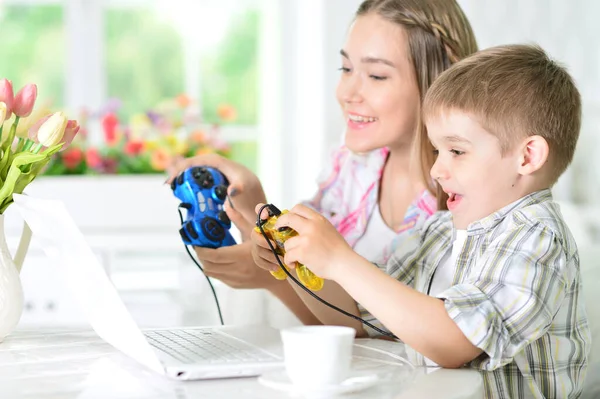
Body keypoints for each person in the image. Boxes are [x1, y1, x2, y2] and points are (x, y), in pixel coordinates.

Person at [262, 43, 591, 398]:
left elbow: (457, 342)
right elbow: (358, 319)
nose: (436, 169)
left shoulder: (537, 237)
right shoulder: (437, 232)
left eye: (457, 151)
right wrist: (299, 259)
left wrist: (341, 262)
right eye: (437, 150)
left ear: (527, 156)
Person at [167, 0, 478, 327]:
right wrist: (257, 208)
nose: (347, 92)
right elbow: (335, 328)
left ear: (443, 77)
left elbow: (391, 337)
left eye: (376, 75)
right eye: (345, 69)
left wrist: (275, 277)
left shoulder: (470, 201)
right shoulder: (351, 168)